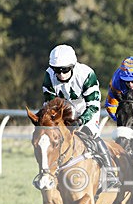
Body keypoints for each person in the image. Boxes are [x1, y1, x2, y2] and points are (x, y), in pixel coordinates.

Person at [42, 44, 119, 188]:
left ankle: (110, 174)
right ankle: (48, 172)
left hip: (86, 108)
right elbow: (49, 103)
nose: (61, 74)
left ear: (72, 66)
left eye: (65, 70)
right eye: (57, 70)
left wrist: (81, 121)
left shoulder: (86, 74)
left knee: (91, 136)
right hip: (64, 111)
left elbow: (93, 105)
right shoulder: (48, 75)